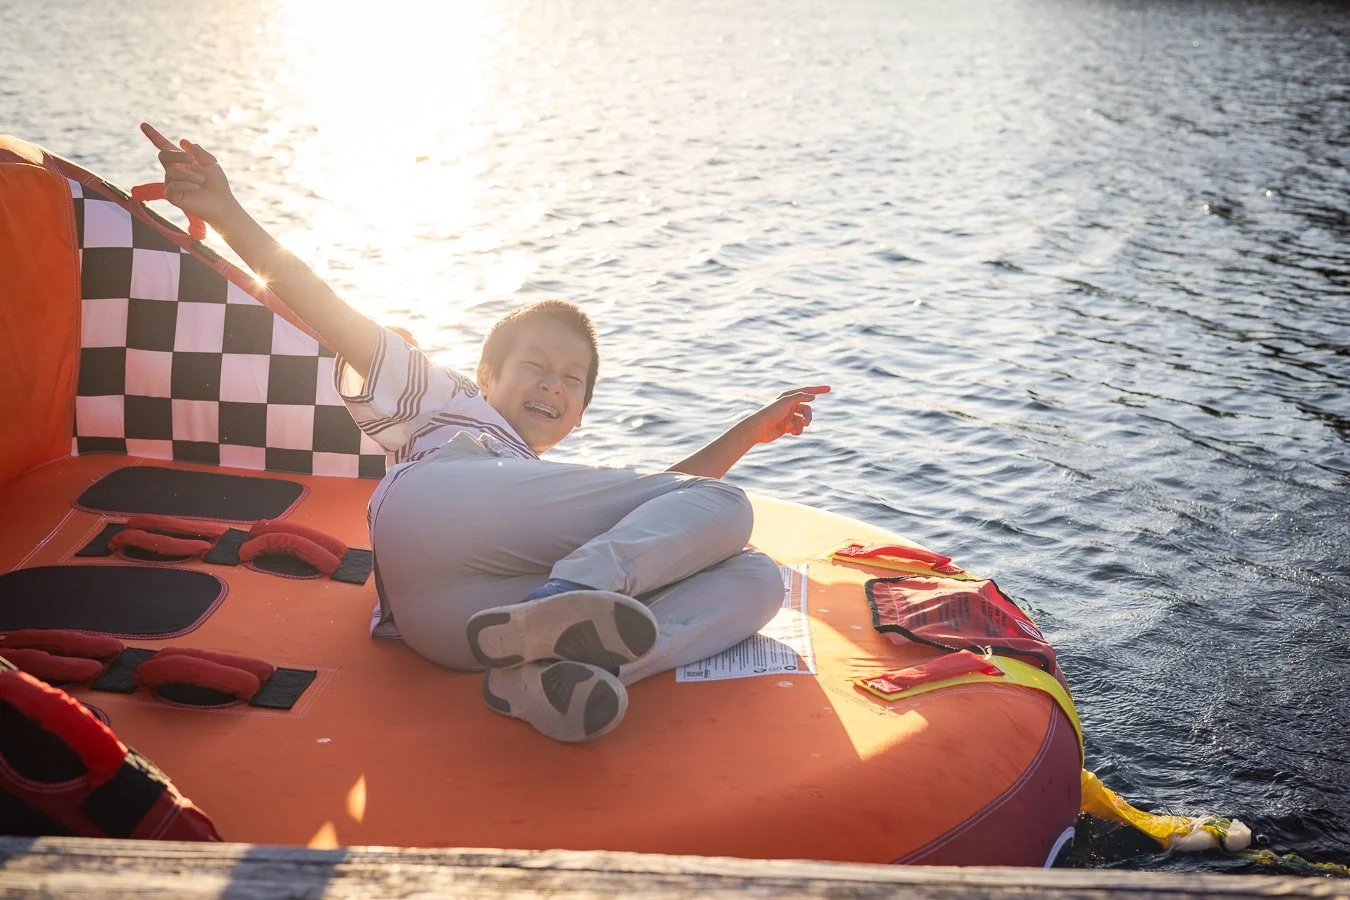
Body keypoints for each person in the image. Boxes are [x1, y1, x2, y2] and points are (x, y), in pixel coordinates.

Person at [141, 123, 829, 742]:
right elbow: (327, 309)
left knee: (755, 577)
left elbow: (673, 502)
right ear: (487, 375)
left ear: (582, 412)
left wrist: (747, 430)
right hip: (434, 514)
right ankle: (560, 606)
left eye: (572, 380)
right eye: (535, 366)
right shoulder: (445, 397)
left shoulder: (539, 486)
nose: (554, 386)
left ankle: (553, 671)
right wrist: (226, 211)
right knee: (729, 507)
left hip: (453, 629)